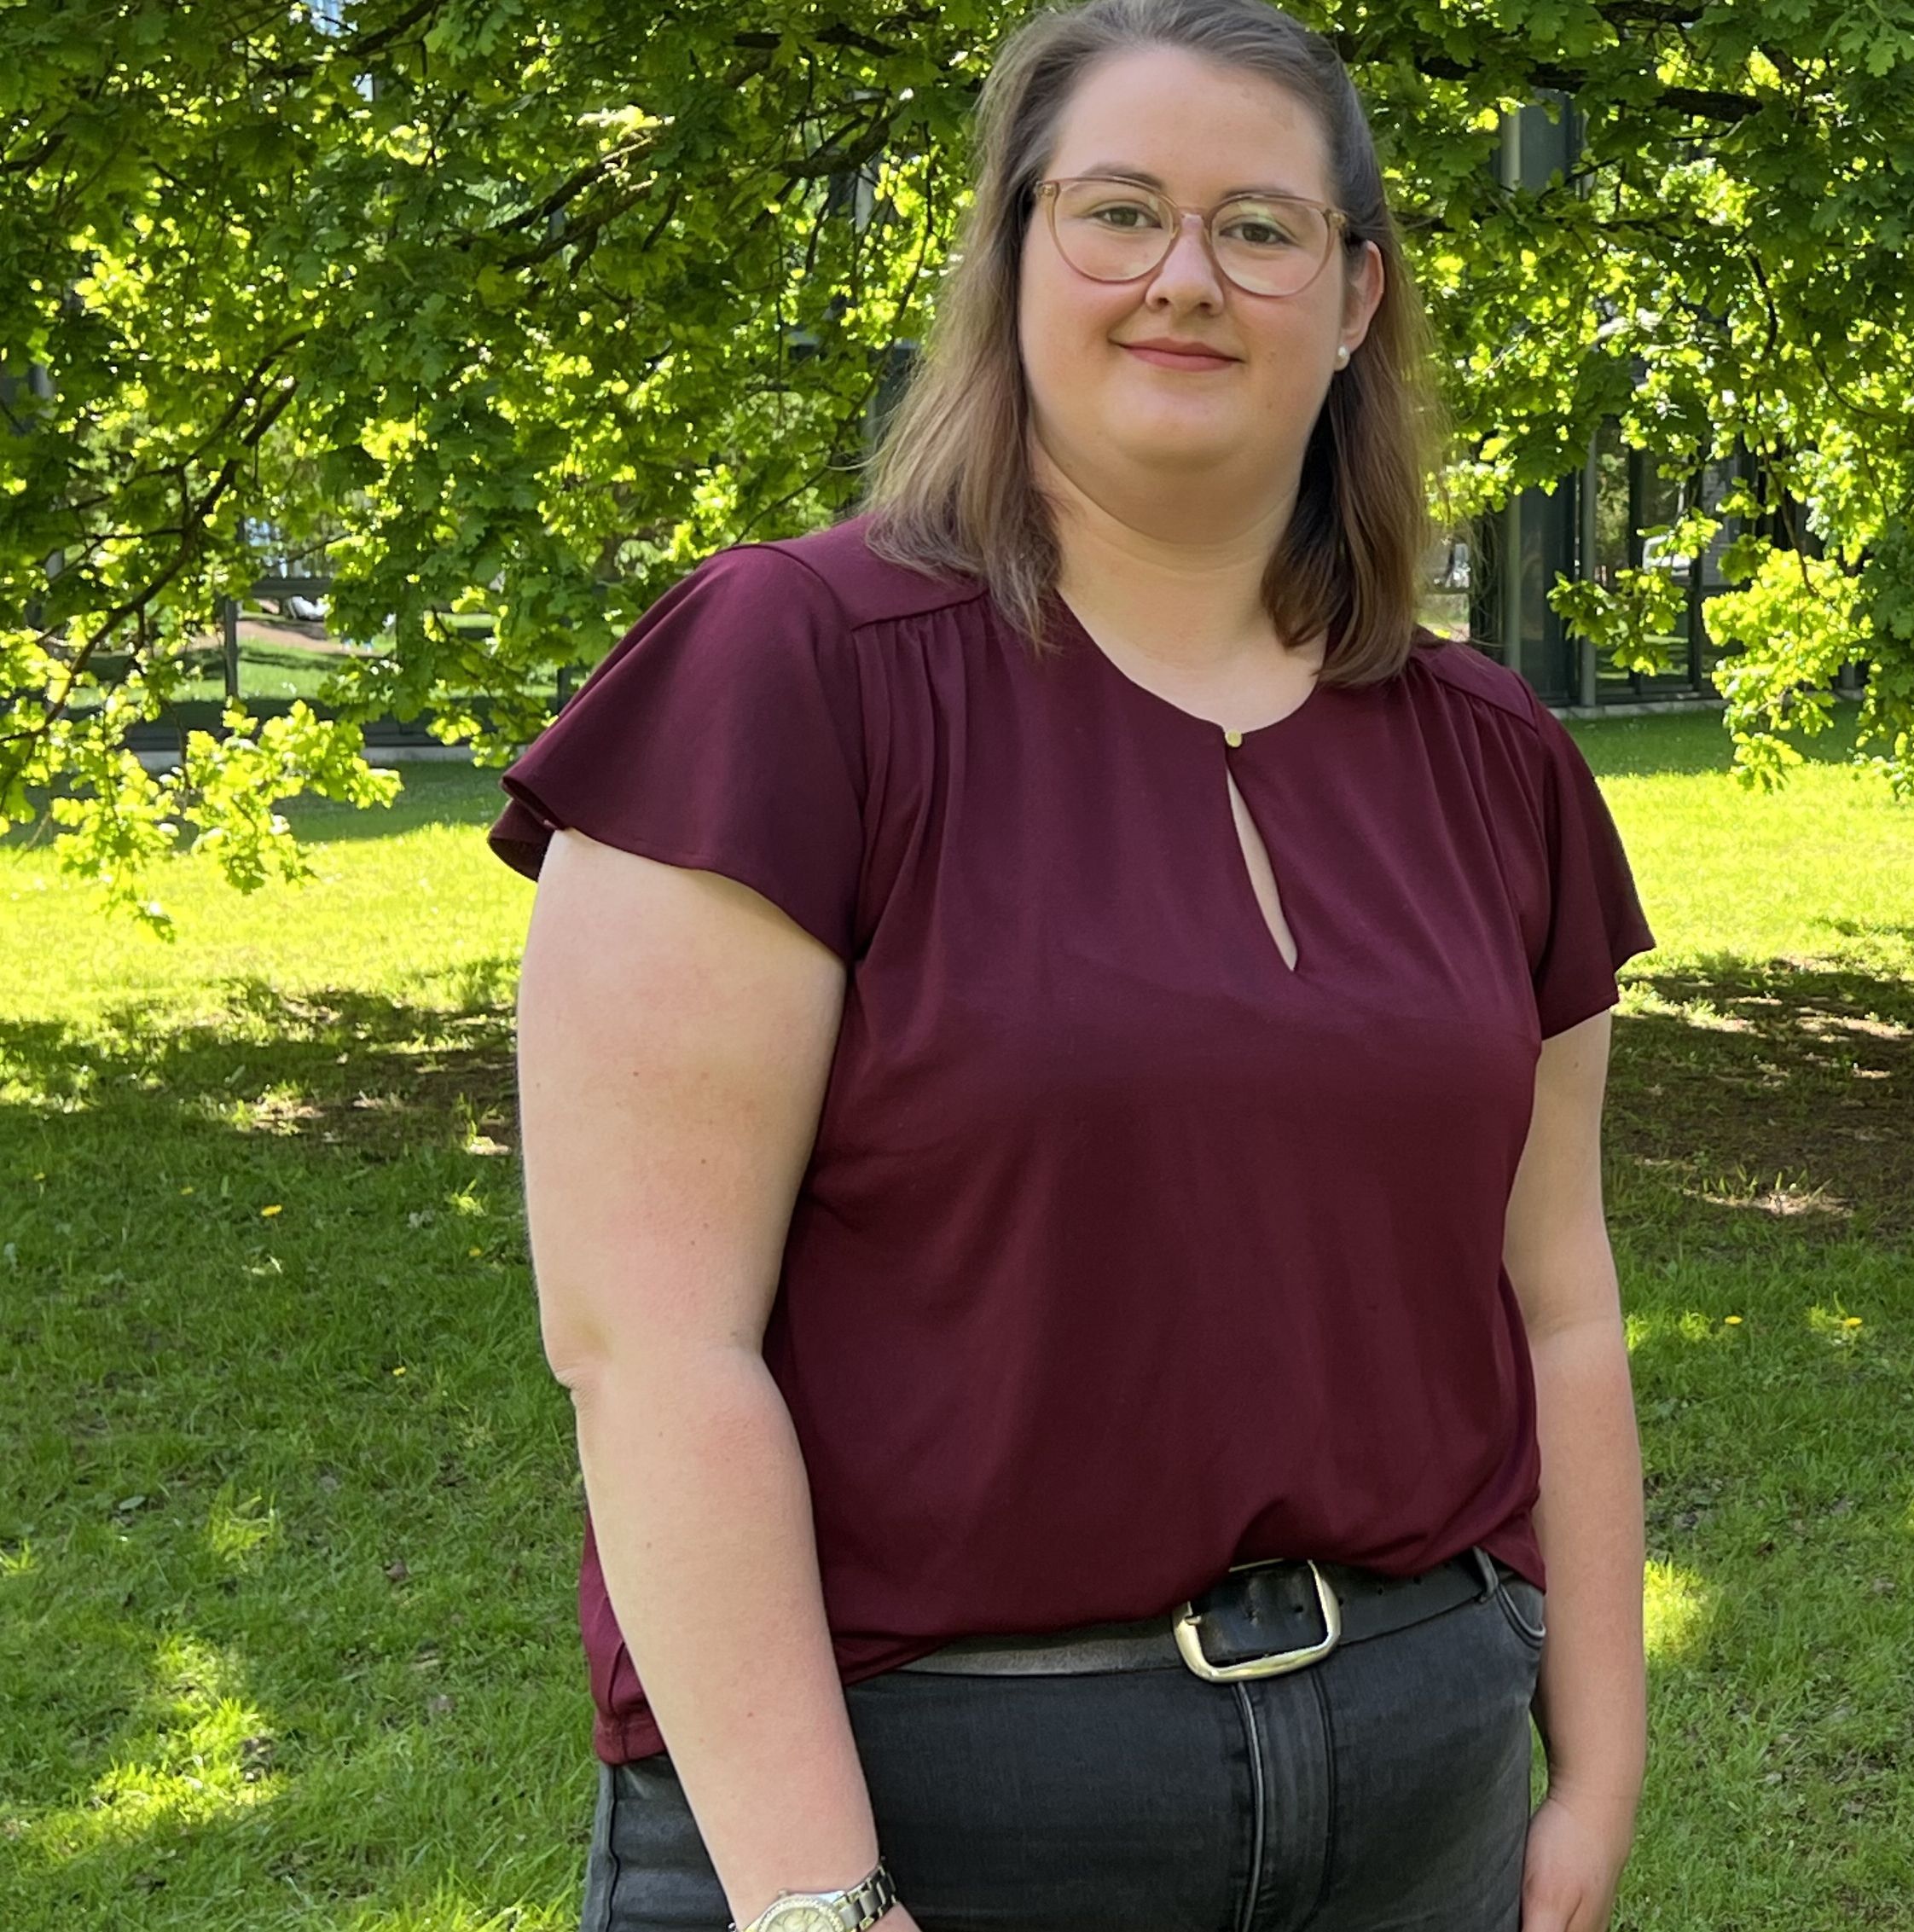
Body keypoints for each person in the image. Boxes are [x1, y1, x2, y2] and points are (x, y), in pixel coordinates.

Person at [497, 5, 1650, 1929]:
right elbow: (647, 1344)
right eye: (1117, 212)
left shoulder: (1489, 753)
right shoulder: (786, 672)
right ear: (1014, 252)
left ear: (1355, 294)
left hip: (1417, 1789)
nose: (1184, 279)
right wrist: (816, 1898)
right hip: (917, 1805)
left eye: (1261, 228)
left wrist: (1594, 1769)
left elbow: (1561, 1306)